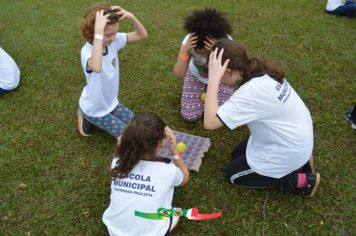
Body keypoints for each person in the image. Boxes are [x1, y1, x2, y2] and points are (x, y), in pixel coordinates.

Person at [204, 39, 320, 197]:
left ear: (228, 72)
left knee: (233, 175)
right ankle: (302, 162)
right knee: (235, 154)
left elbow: (210, 122)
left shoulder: (249, 92)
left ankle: (301, 180)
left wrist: (213, 79)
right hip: (297, 136)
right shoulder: (260, 72)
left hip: (290, 147)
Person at [102, 112, 189, 236]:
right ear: (160, 144)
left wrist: (122, 144)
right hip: (153, 233)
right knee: (176, 212)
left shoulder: (117, 163)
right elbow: (185, 177)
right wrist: (174, 151)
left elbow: (123, 153)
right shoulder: (168, 170)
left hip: (114, 231)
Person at [77, 3, 147, 142]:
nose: (114, 38)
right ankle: (84, 114)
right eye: (109, 34)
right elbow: (96, 66)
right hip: (95, 109)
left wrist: (131, 17)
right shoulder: (86, 52)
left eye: (115, 32)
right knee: (130, 137)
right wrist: (98, 33)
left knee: (139, 126)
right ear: (94, 33)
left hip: (111, 103)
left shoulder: (112, 41)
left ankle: (86, 113)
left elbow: (142, 35)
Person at [173, 8, 234, 122]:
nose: (201, 56)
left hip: (222, 78)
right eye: (198, 52)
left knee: (221, 114)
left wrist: (220, 51)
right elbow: (178, 74)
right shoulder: (190, 43)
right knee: (189, 116)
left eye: (207, 54)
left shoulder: (227, 43)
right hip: (197, 76)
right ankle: (202, 92)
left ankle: (207, 94)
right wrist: (184, 52)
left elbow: (233, 72)